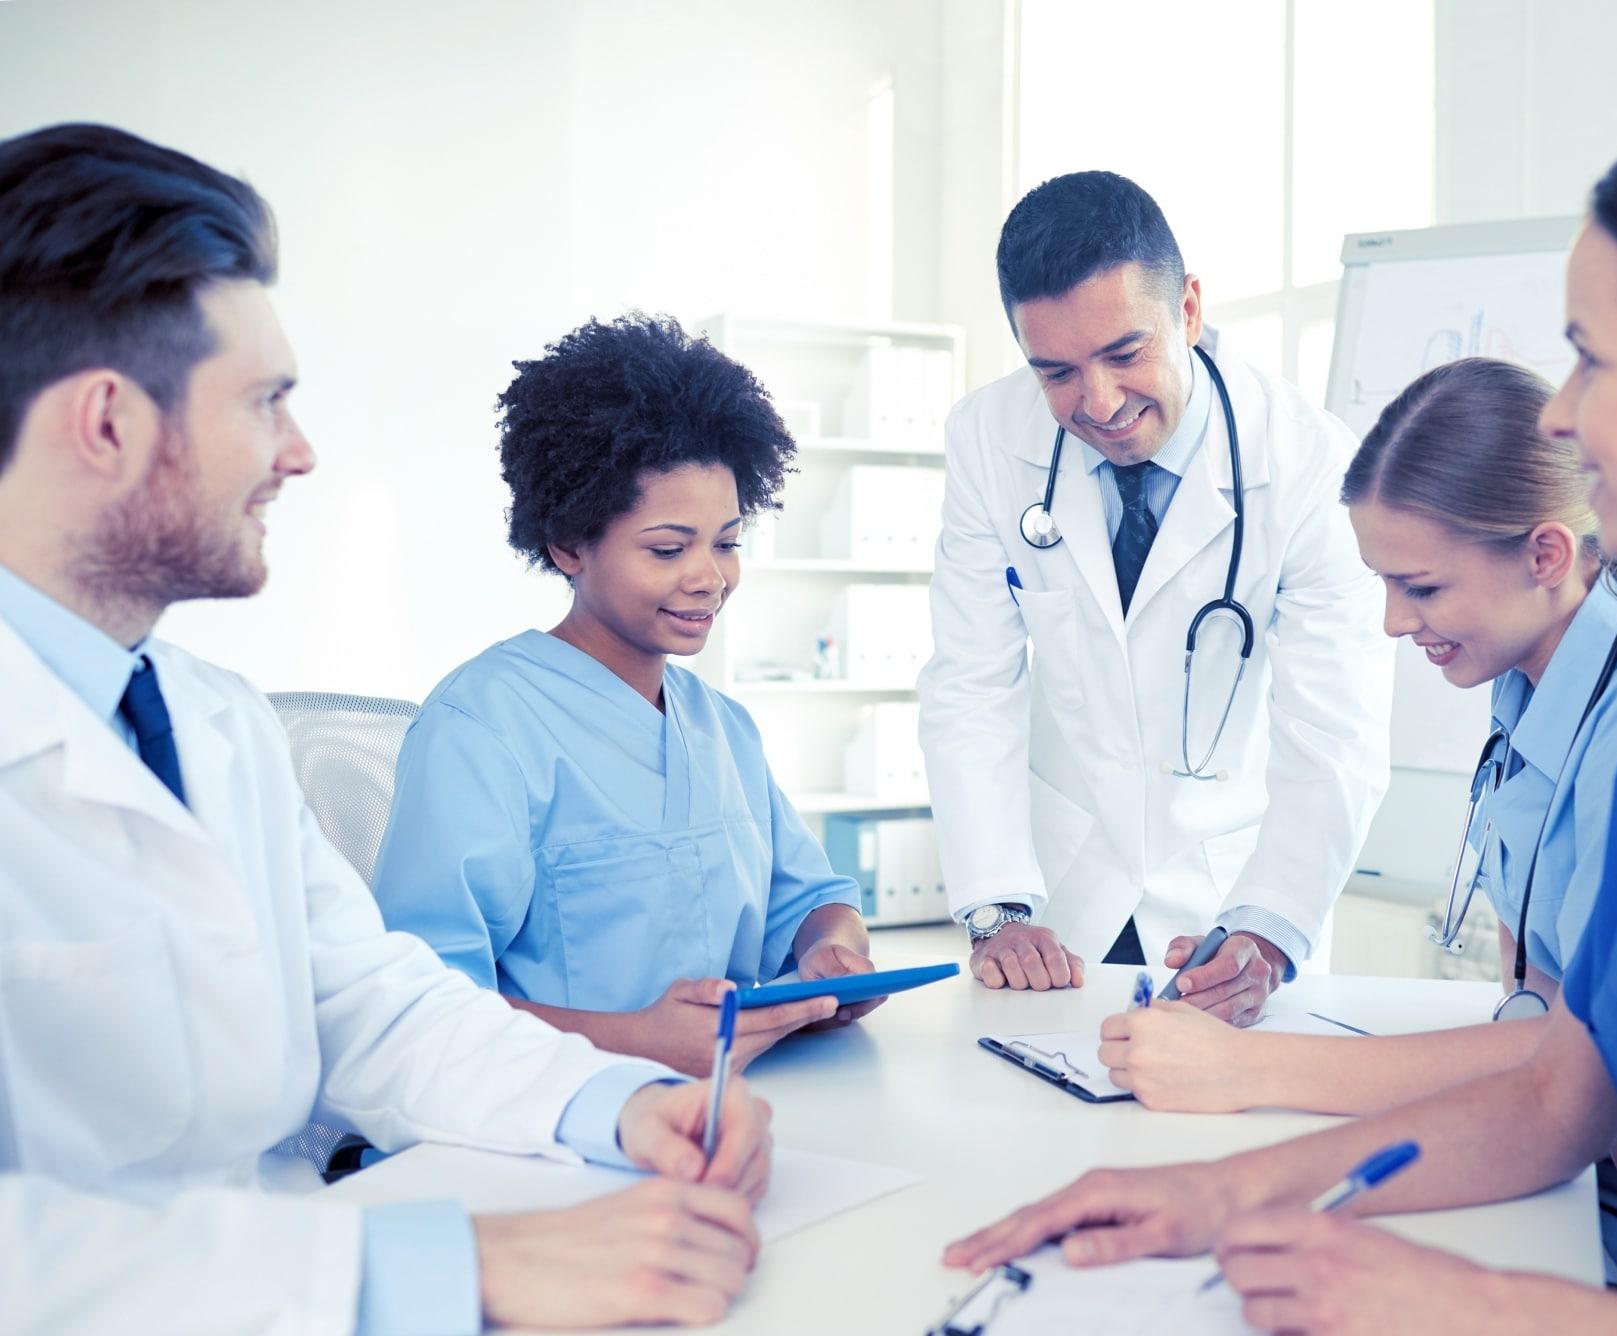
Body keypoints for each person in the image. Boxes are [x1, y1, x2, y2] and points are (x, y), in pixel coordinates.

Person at [943, 109, 1617, 1335]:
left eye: (1590, 358)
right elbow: (1544, 1110)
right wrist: (1206, 1194)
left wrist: (1470, 1305)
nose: (1559, 419)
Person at [0, 123, 779, 1334]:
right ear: (107, 422)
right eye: (265, 402)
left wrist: (615, 1102)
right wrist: (444, 1268)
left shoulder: (210, 719)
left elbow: (372, 1002)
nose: (299, 453)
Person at [1095, 355, 1617, 1295]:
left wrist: (1247, 1069)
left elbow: (1567, 1058)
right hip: (1571, 1178)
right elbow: (1545, 995)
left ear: (1546, 555)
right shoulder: (1531, 677)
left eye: (1420, 588)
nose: (1392, 621)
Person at [918, 170, 1394, 1022]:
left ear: (1190, 311)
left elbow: (1336, 728)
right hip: (1056, 897)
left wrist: (1271, 927)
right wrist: (996, 905)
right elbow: (971, 682)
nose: (1098, 403)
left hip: (1231, 900)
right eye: (1056, 372)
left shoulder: (1308, 458)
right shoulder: (989, 439)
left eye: (1125, 354)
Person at [372, 315, 878, 1078]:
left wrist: (834, 952)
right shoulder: (481, 729)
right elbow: (419, 1004)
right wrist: (633, 1040)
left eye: (729, 542)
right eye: (668, 549)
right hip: (550, 1131)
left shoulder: (722, 727)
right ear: (569, 543)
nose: (710, 577)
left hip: (735, 1112)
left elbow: (810, 900)